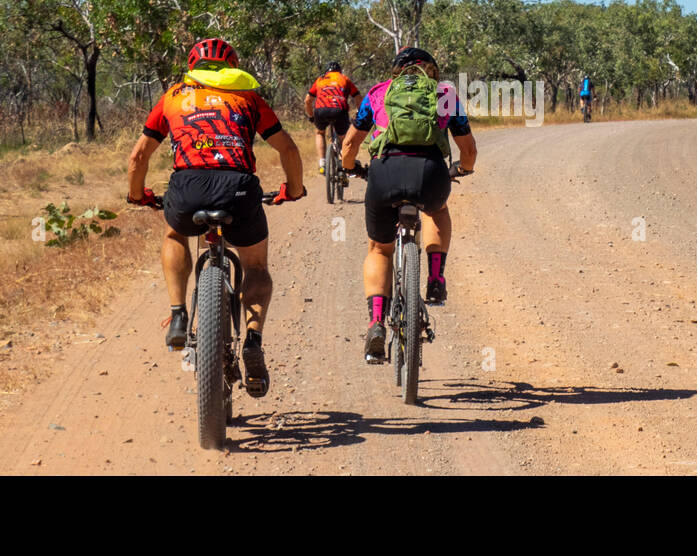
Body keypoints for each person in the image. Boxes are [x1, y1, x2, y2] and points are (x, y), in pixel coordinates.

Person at [126, 37, 305, 398]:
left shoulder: (174, 95)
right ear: (232, 67)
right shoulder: (248, 97)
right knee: (254, 267)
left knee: (176, 236)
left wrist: (137, 195)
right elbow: (287, 147)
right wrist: (294, 189)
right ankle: (252, 339)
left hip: (187, 187)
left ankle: (178, 313)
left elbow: (138, 157)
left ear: (191, 65)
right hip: (238, 189)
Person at [339, 47, 476, 364]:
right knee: (437, 209)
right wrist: (461, 169)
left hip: (384, 173)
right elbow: (468, 150)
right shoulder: (445, 94)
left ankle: (375, 323)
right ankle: (436, 279)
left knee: (378, 248)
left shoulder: (377, 94)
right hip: (430, 174)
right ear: (432, 71)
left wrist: (351, 168)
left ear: (396, 72)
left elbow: (349, 145)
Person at [303, 61, 360, 175]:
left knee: (320, 133)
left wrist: (311, 116)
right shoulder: (345, 79)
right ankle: (346, 164)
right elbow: (358, 98)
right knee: (344, 137)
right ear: (339, 71)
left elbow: (308, 100)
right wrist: (359, 114)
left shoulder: (320, 79)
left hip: (321, 110)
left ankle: (322, 164)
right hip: (339, 110)